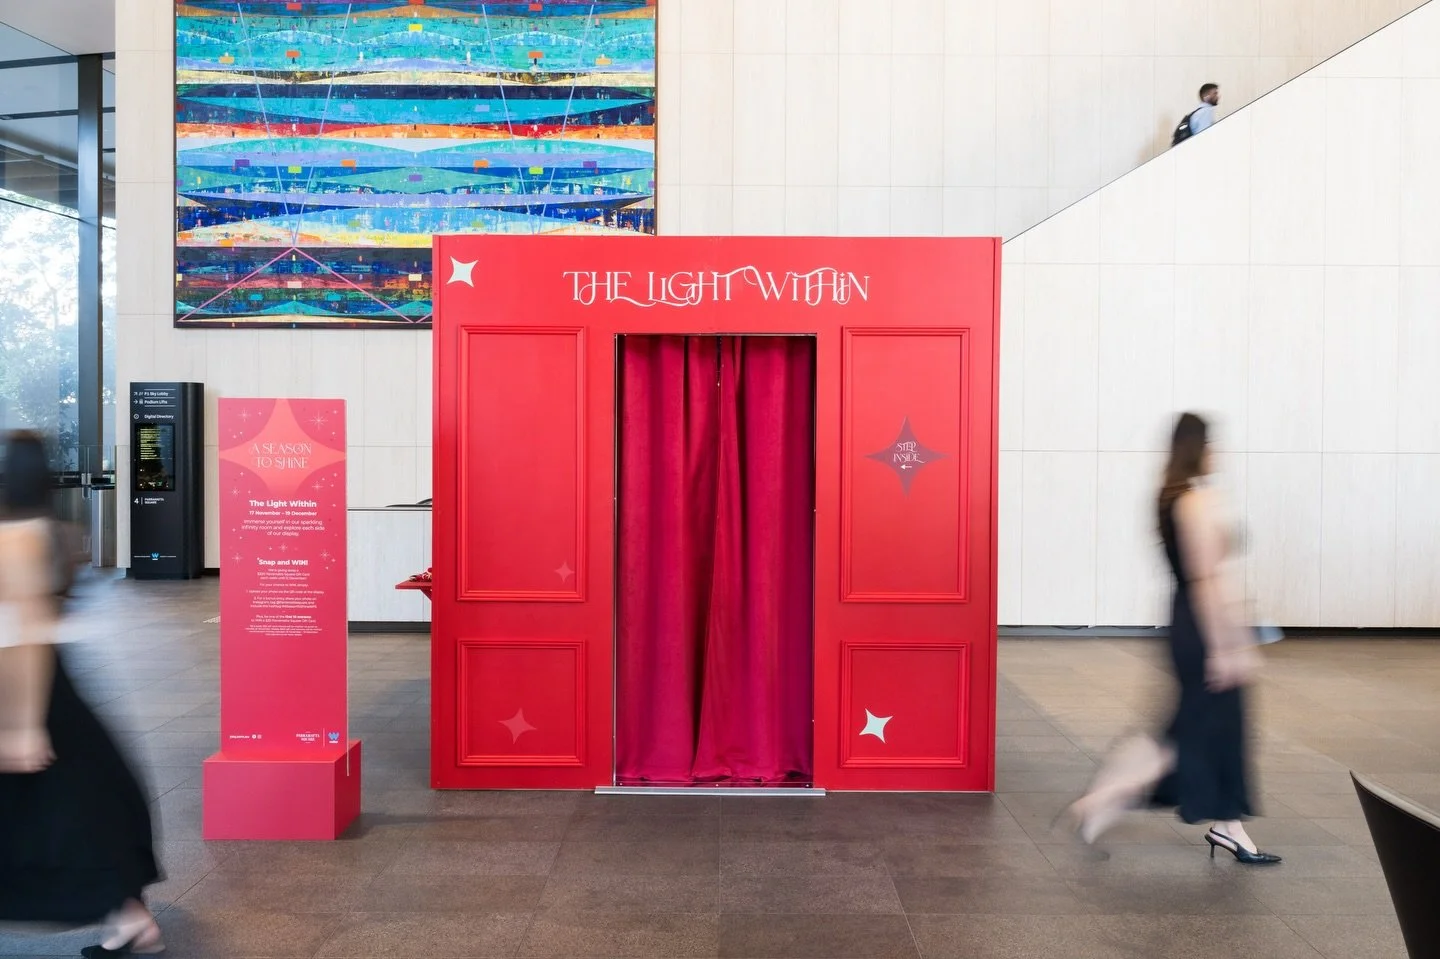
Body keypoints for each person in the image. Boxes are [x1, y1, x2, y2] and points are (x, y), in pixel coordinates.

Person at [1062, 413, 1279, 865]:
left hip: (1192, 622)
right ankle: (1102, 802)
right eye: (1212, 442)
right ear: (1198, 447)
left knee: (1212, 728)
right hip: (1203, 629)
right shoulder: (1194, 502)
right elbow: (1206, 580)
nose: (1218, 451)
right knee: (1186, 734)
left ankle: (1228, 824)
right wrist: (1225, 648)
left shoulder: (1173, 496)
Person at [0, 430, 166, 956]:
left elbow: (23, 636)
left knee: (62, 806)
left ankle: (127, 912)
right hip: (51, 684)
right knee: (77, 799)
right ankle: (128, 912)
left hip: (29, 690)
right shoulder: (55, 531)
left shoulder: (15, 538)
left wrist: (21, 725)